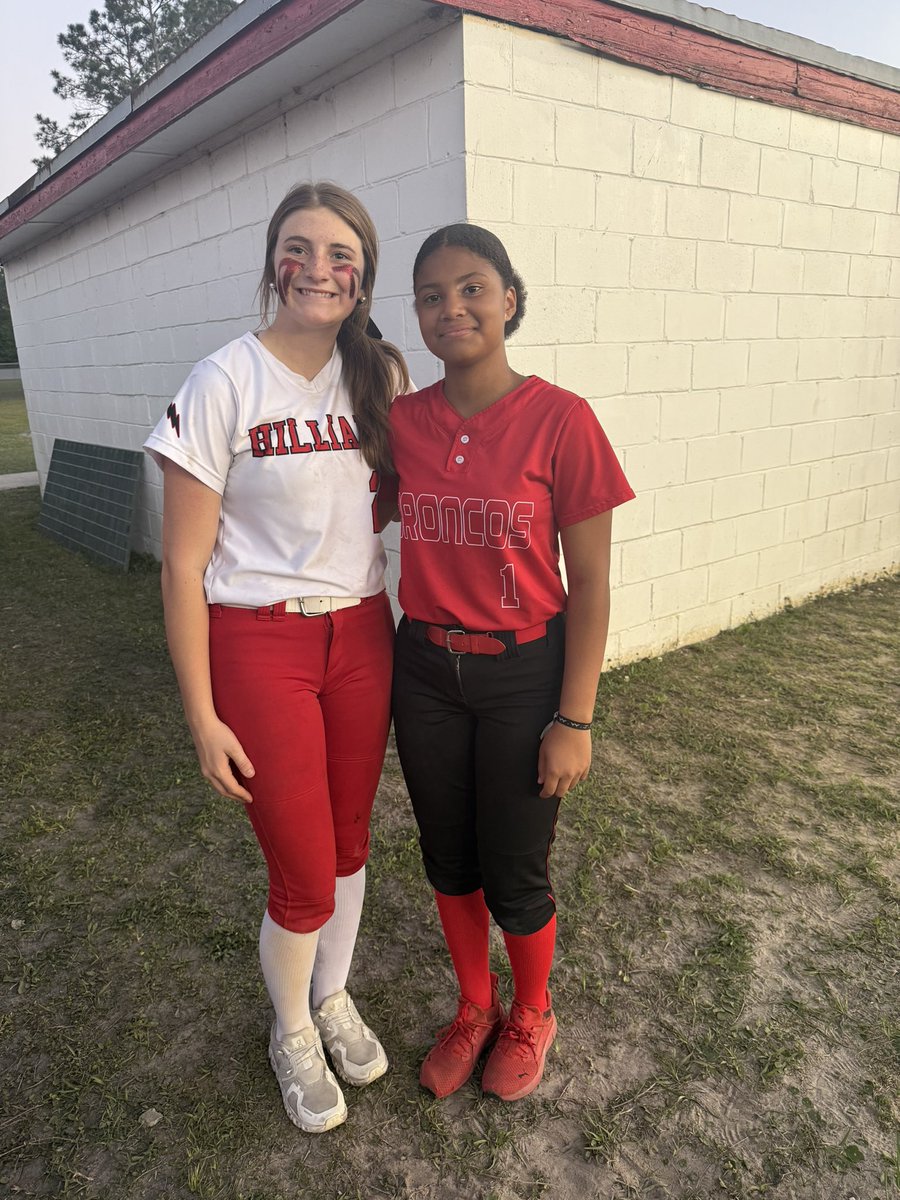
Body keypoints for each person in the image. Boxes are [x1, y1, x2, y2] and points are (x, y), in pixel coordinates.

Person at [144, 181, 409, 1134]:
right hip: (262, 642)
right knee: (301, 867)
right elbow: (181, 567)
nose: (321, 268)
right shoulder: (223, 381)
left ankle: (332, 997)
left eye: (342, 254)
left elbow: (384, 509)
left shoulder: (378, 373)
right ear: (273, 262)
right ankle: (291, 1028)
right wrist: (201, 713)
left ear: (362, 275)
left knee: (348, 845)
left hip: (363, 633)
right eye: (300, 248)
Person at [389, 223, 634, 1102]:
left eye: (471, 288)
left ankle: (532, 1010)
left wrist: (575, 718)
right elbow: (344, 509)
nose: (451, 307)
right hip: (422, 668)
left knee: (516, 866)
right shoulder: (405, 423)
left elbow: (594, 581)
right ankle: (473, 1005)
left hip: (525, 674)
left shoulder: (562, 419)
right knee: (448, 856)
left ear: (510, 300)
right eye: (430, 295)